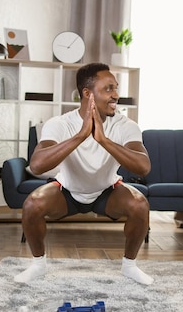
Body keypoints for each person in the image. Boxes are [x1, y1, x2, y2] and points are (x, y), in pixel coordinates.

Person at [14, 62, 154, 285]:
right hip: (67, 191)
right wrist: (80, 136)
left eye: (116, 88)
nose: (116, 95)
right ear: (88, 94)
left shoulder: (125, 125)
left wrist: (104, 140)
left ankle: (130, 266)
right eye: (108, 88)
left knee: (139, 204)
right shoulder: (60, 124)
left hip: (107, 192)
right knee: (32, 205)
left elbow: (143, 166)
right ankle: (38, 265)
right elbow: (38, 165)